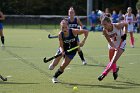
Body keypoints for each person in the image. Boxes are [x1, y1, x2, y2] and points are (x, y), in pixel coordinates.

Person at [50, 19, 88, 83]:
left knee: (63, 66)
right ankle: (53, 63)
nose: (64, 29)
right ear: (60, 28)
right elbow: (61, 46)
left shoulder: (74, 31)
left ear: (68, 26)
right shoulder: (60, 34)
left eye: (65, 27)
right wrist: (62, 51)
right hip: (64, 49)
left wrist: (83, 41)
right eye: (62, 27)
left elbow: (86, 31)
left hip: (72, 51)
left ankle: (54, 77)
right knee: (52, 66)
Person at [98, 16, 127, 81]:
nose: (104, 26)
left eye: (105, 24)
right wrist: (115, 47)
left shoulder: (117, 26)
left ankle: (104, 74)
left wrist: (125, 34)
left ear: (110, 23)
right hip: (112, 44)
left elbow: (126, 24)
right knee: (112, 61)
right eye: (103, 25)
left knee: (113, 60)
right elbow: (110, 41)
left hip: (121, 43)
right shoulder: (104, 31)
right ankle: (115, 70)